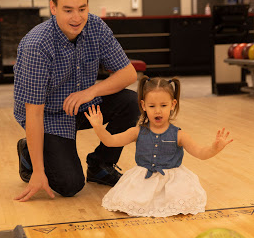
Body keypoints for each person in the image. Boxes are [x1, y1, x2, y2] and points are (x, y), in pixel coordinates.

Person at [13, 0, 139, 202]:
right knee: (70, 185)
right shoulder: (36, 45)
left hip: (82, 103)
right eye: (68, 10)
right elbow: (34, 112)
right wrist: (39, 174)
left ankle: (101, 165)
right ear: (53, 8)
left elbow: (128, 73)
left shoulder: (96, 27)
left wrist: (90, 92)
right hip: (48, 115)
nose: (77, 17)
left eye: (82, 8)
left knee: (131, 102)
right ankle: (29, 155)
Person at [84, 76, 233, 218]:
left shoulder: (179, 135)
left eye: (163, 105)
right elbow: (110, 141)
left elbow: (201, 153)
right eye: (152, 106)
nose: (158, 110)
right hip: (143, 181)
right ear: (143, 106)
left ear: (173, 105)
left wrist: (215, 148)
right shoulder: (137, 132)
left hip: (173, 184)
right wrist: (98, 127)